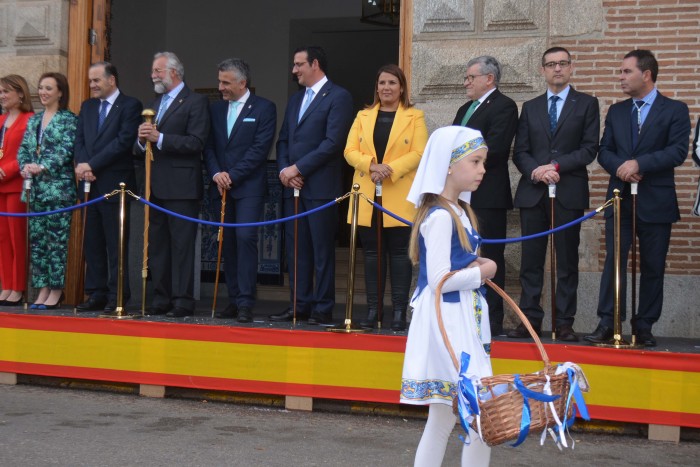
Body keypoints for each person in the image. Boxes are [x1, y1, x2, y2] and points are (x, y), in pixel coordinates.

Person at [401, 126, 494, 466]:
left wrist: (475, 263)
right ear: (449, 165)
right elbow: (440, 279)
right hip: (448, 322)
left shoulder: (459, 212)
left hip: (461, 318)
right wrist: (483, 272)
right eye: (476, 161)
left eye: (483, 161)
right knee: (480, 415)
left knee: (446, 418)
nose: (482, 169)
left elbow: (455, 265)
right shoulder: (440, 216)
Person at [585, 49, 690, 347]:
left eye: (626, 71)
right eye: (620, 72)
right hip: (619, 200)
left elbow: (677, 151)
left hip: (657, 202)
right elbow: (604, 150)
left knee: (653, 265)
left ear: (646, 74)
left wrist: (640, 164)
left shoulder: (675, 109)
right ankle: (608, 321)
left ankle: (644, 325)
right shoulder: (617, 111)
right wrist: (621, 167)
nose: (620, 77)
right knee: (613, 263)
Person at [509, 47, 600, 342]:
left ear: (571, 67)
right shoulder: (531, 106)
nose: (557, 69)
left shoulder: (587, 103)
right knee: (530, 261)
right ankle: (530, 320)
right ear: (542, 70)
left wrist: (556, 166)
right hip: (534, 192)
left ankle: (564, 323)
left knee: (567, 261)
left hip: (568, 191)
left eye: (562, 64)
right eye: (551, 64)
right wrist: (536, 171)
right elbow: (520, 150)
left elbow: (589, 148)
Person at [270, 45, 353, 325]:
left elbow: (332, 143)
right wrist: (284, 169)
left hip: (320, 188)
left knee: (321, 251)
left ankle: (322, 307)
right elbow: (283, 139)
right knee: (296, 250)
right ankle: (298, 304)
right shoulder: (295, 100)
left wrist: (298, 167)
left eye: (298, 65)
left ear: (314, 64)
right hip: (292, 187)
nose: (294, 71)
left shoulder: (338, 96)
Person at [343, 64, 427, 331]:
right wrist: (370, 165)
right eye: (382, 83)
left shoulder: (415, 116)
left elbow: (419, 152)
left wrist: (389, 169)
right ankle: (373, 309)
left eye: (392, 83)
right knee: (372, 255)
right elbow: (349, 150)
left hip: (398, 193)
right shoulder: (363, 116)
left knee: (401, 255)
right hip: (368, 194)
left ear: (401, 87)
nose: (386, 88)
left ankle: (399, 311)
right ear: (376, 87)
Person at [135, 51, 210, 318]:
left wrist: (160, 137)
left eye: (157, 71)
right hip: (154, 186)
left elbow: (196, 142)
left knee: (181, 246)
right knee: (158, 245)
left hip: (182, 187)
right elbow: (143, 146)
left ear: (173, 72)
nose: (152, 75)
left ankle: (183, 300)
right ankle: (161, 297)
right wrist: (142, 139)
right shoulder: (154, 103)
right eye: (153, 71)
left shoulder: (195, 101)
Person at [204, 58, 276, 323]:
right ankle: (233, 299)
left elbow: (259, 150)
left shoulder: (265, 108)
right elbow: (209, 146)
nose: (220, 87)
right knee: (228, 242)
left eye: (226, 82)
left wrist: (231, 176)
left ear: (242, 82)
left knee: (245, 238)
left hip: (248, 188)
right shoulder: (215, 110)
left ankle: (246, 301)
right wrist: (216, 174)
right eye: (219, 81)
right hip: (220, 186)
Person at [452, 56, 518, 336]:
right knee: (464, 254)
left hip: (487, 194)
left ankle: (492, 320)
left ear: (489, 79)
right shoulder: (465, 108)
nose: (466, 83)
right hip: (461, 196)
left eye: (471, 78)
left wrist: (466, 162)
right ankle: (465, 317)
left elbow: (498, 147)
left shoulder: (504, 106)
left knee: (491, 256)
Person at [74, 62, 143, 313]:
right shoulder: (88, 106)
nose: (92, 85)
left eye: (96, 80)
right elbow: (80, 138)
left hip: (115, 184)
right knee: (92, 241)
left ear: (111, 80)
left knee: (117, 243)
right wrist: (83, 166)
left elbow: (123, 141)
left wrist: (91, 164)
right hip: (89, 185)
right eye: (90, 81)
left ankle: (118, 294)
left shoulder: (130, 105)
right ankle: (96, 293)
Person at [18, 72, 78, 309]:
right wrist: (25, 165)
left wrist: (42, 166)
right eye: (41, 88)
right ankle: (42, 288)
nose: (43, 92)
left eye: (49, 88)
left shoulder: (69, 120)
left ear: (60, 92)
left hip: (58, 191)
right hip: (35, 190)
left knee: (56, 243)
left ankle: (56, 289)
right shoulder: (33, 120)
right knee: (38, 243)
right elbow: (24, 148)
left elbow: (65, 151)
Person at [0, 75, 34, 306]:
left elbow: (29, 152)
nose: (2, 96)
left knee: (16, 237)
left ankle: (18, 288)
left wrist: (8, 169)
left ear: (20, 94)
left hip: (15, 185)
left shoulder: (29, 119)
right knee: (2, 239)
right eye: (0, 92)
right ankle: (6, 285)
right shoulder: (1, 119)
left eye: (6, 92)